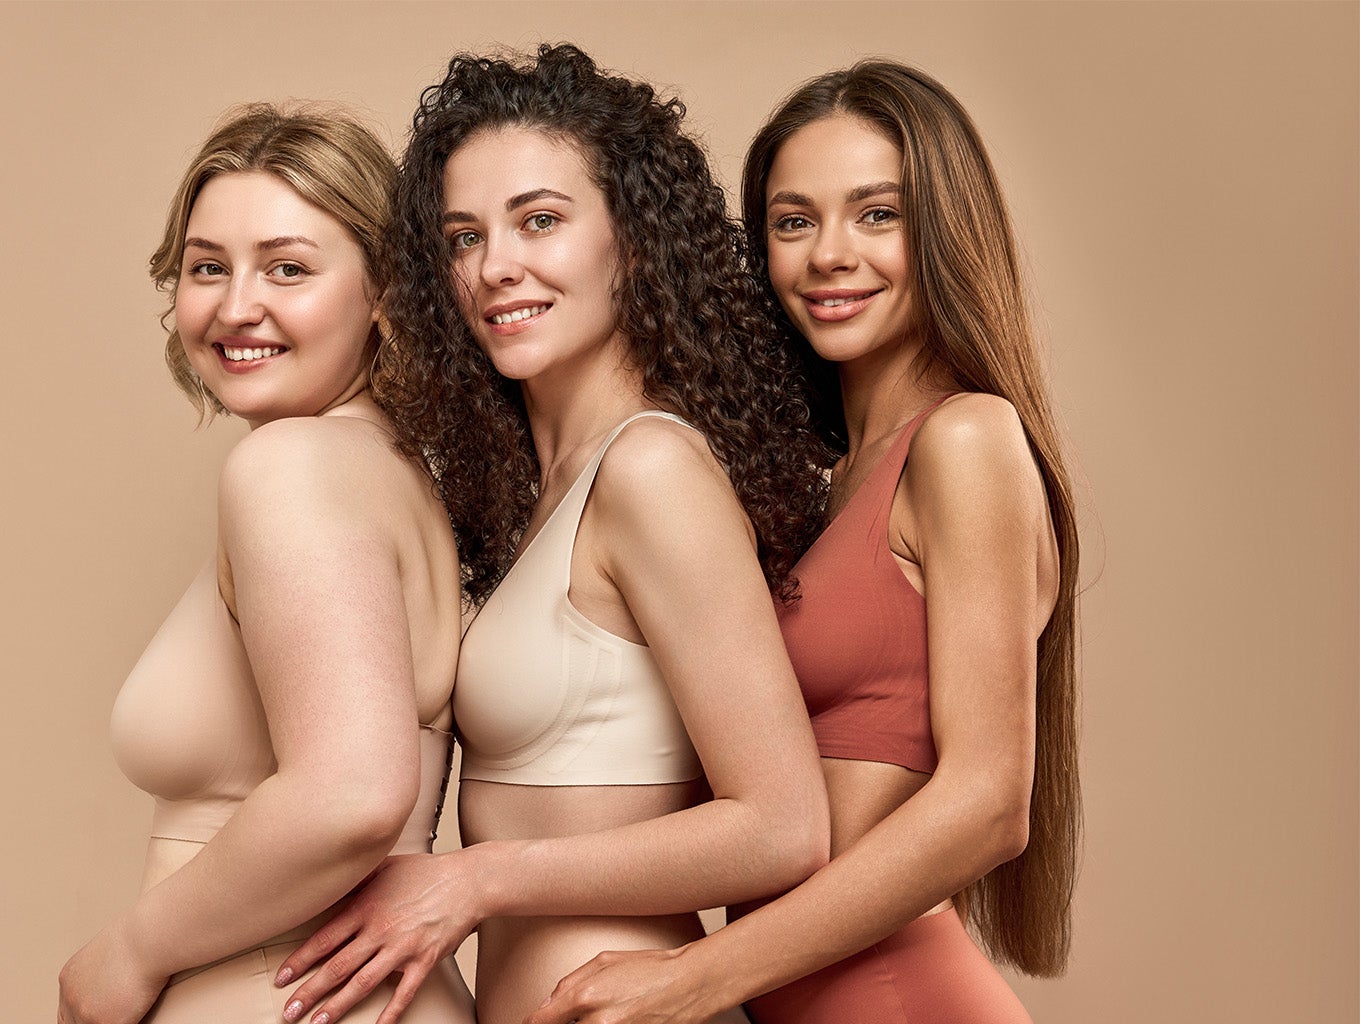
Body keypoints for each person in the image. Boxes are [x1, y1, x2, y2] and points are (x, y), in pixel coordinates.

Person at [270, 45, 830, 1024]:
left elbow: (782, 827)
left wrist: (476, 879)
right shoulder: (540, 492)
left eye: (538, 220)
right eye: (461, 236)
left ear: (632, 237)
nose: (494, 267)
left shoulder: (650, 470)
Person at [525, 60, 1082, 1024]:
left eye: (878, 214)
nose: (829, 254)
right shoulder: (818, 485)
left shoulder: (965, 440)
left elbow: (991, 801)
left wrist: (697, 979)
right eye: (793, 221)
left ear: (947, 231)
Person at [56, 105, 475, 1024]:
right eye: (209, 267)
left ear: (384, 293)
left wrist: (124, 956)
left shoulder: (292, 467)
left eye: (287, 267)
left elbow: (354, 794)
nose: (236, 306)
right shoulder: (390, 470)